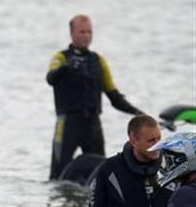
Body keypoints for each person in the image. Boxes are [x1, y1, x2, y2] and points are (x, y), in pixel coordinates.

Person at [47, 14, 143, 180]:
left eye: (89, 32)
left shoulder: (98, 61)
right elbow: (51, 78)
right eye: (82, 32)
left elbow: (114, 96)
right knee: (57, 177)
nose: (86, 36)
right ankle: (60, 205)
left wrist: (138, 114)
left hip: (92, 125)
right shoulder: (60, 58)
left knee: (100, 173)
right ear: (72, 33)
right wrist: (66, 68)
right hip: (67, 124)